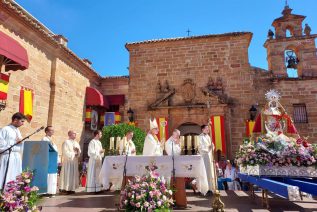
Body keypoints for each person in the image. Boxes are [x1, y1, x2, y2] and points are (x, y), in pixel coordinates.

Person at [0, 112, 26, 189]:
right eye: (22, 121)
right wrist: (15, 142)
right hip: (7, 156)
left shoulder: (17, 130)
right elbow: (1, 145)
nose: (23, 124)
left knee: (15, 176)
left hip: (16, 156)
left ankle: (13, 193)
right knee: (6, 176)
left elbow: (19, 143)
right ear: (15, 120)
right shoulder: (5, 129)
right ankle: (4, 193)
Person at [198, 124, 216, 194]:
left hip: (210, 157)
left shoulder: (208, 136)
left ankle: (211, 188)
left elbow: (212, 146)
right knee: (205, 173)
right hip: (204, 157)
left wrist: (212, 147)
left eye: (208, 128)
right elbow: (199, 148)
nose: (208, 130)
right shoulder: (200, 137)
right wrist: (208, 148)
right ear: (202, 129)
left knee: (210, 173)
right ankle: (205, 189)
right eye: (206, 128)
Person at [42, 126, 58, 197]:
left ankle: (51, 191)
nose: (53, 132)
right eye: (51, 130)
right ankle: (46, 192)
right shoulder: (44, 139)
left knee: (52, 176)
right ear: (46, 132)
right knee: (48, 176)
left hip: (52, 159)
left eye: (53, 130)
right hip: (48, 159)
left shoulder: (51, 139)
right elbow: (45, 149)